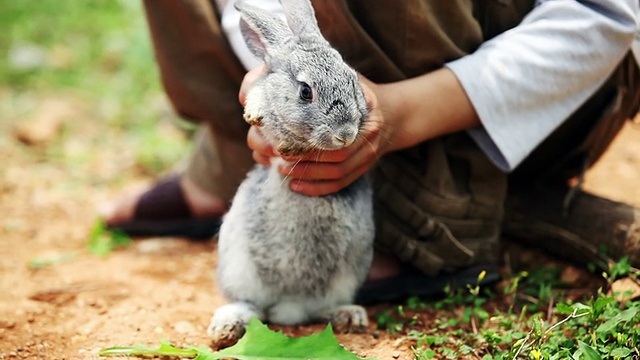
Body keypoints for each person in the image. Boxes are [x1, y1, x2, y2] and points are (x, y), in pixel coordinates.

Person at [102, 0, 640, 303]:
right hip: (332, 88)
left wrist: (401, 113)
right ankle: (231, 154)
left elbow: (605, 16)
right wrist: (275, 74)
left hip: (544, 87)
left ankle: (433, 202)